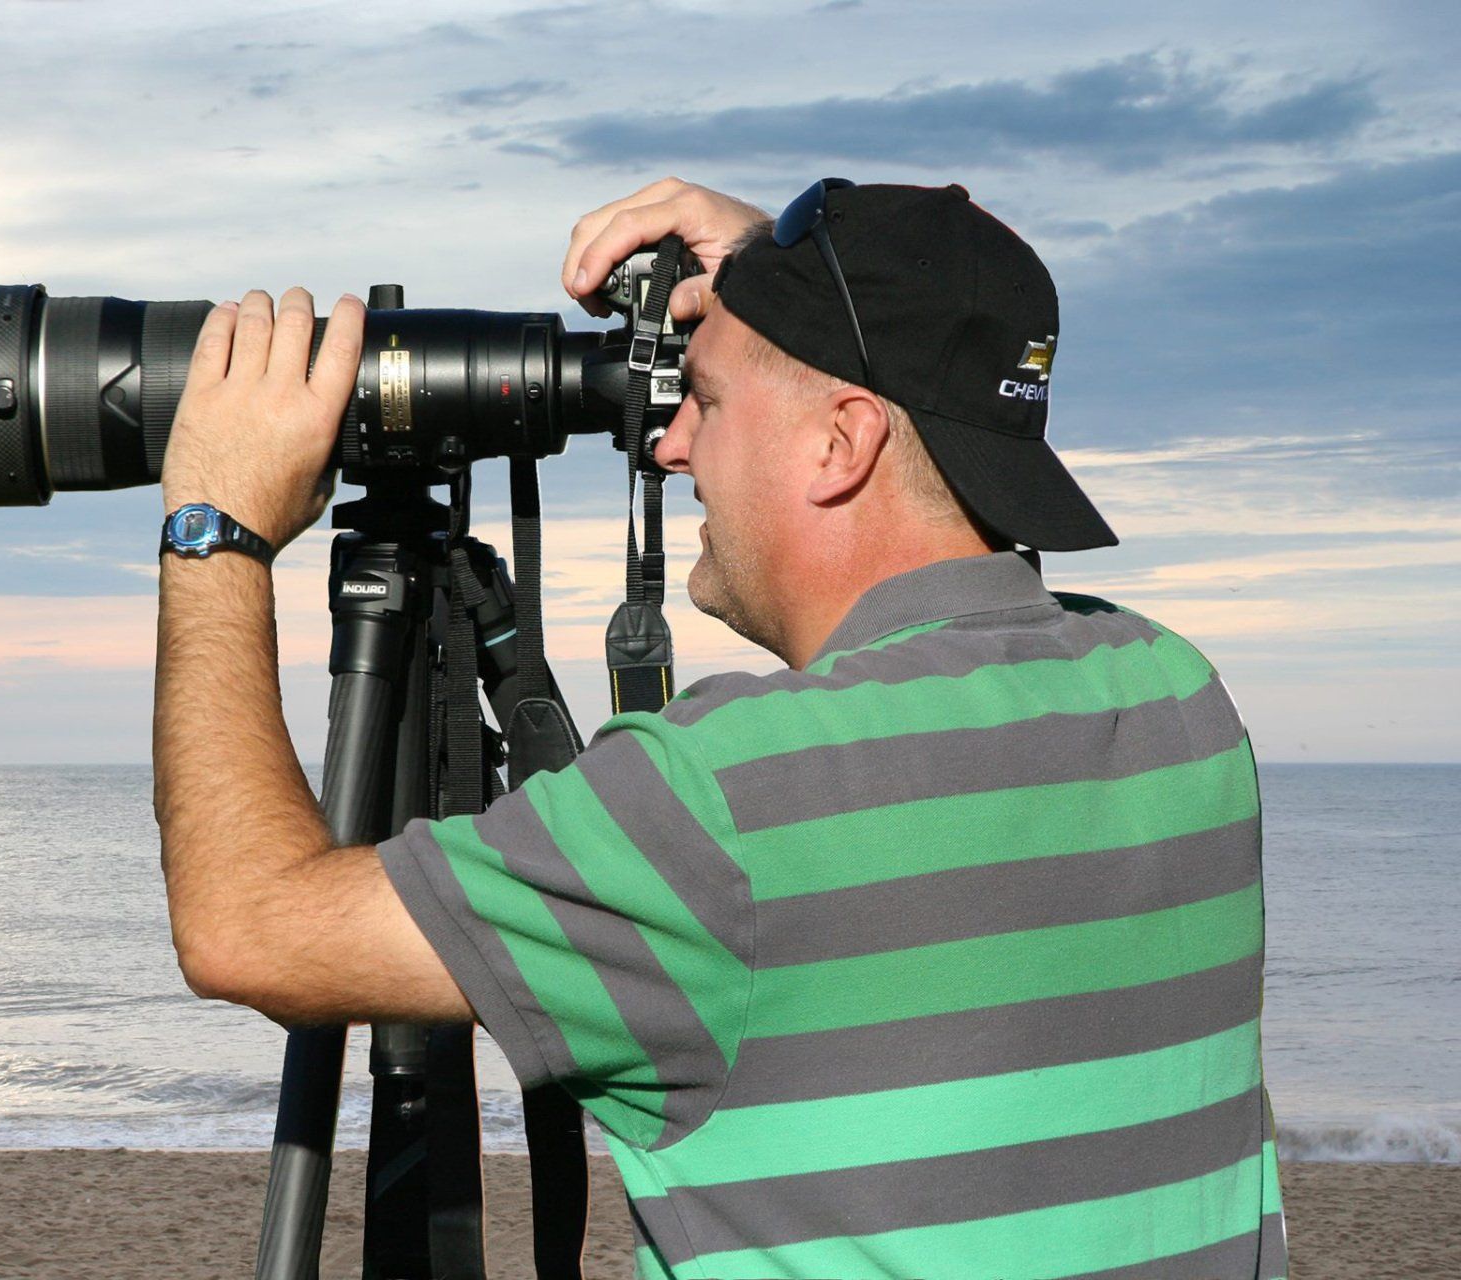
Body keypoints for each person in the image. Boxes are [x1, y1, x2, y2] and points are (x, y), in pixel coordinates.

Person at [150, 177, 1288, 1279]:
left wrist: (218, 522)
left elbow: (245, 926)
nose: (667, 444)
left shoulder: (723, 808)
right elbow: (954, 482)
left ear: (842, 444)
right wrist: (786, 285)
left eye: (705, 397)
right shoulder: (1178, 703)